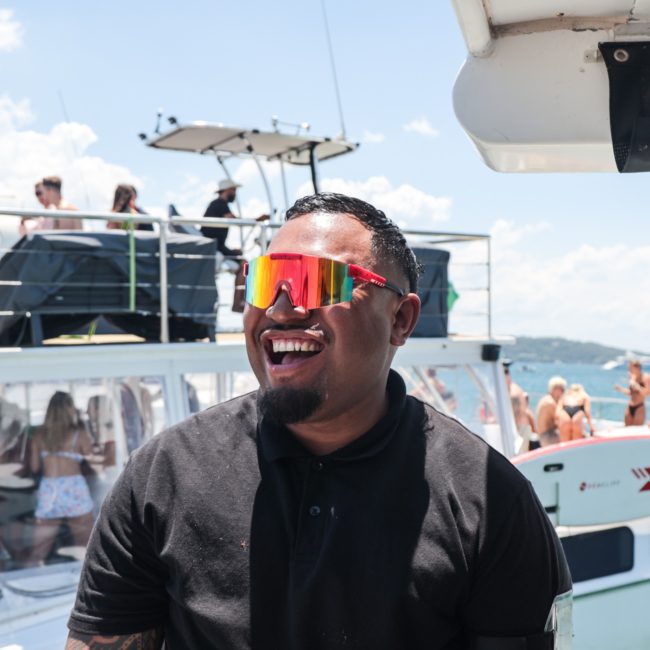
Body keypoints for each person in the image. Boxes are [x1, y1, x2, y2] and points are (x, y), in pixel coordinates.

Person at [66, 193, 571, 649]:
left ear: (400, 320)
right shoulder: (162, 475)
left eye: (318, 281)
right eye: (264, 281)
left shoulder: (492, 503)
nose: (282, 308)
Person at [28, 391, 94, 565]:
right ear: (68, 408)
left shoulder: (39, 435)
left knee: (39, 550)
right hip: (74, 488)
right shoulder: (79, 434)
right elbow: (94, 462)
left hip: (50, 490)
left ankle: (33, 582)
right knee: (87, 547)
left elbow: (34, 467)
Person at [201, 179, 269, 313]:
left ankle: (239, 301)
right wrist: (257, 220)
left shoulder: (218, 204)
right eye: (233, 190)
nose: (235, 194)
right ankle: (238, 302)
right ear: (227, 191)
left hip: (216, 245)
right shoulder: (220, 203)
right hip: (215, 246)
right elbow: (235, 220)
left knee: (242, 262)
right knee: (245, 265)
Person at [614, 359, 650, 426]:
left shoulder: (646, 377)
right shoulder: (631, 377)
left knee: (636, 430)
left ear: (637, 368)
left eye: (630, 368)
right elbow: (631, 393)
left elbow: (647, 393)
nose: (629, 370)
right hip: (630, 406)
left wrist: (638, 387)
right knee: (626, 429)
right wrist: (621, 389)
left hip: (639, 407)